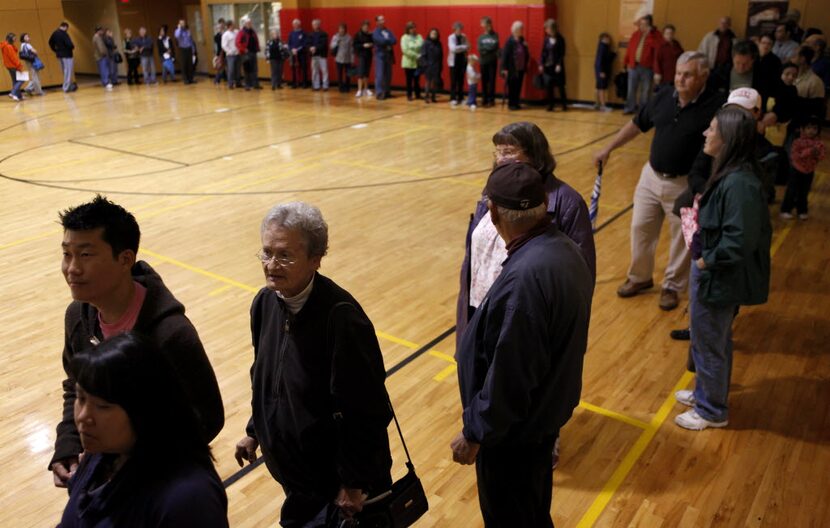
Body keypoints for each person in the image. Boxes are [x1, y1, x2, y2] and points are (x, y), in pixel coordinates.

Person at [452, 161, 593, 527]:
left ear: (495, 212)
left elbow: (511, 377)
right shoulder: (563, 249)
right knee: (531, 512)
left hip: (512, 436)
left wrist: (475, 432)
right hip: (540, 422)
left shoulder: (525, 280)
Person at [50, 196, 225, 488]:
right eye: (67, 254)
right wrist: (68, 443)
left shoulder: (170, 335)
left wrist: (130, 458)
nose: (72, 268)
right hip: (102, 469)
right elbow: (75, 386)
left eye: (86, 255)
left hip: (158, 480)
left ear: (125, 259)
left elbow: (207, 419)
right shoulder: (77, 318)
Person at [236, 202, 393, 527]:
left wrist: (353, 482)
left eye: (285, 255)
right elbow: (267, 376)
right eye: (266, 253)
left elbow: (368, 410)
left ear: (315, 259)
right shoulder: (265, 304)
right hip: (299, 483)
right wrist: (255, 430)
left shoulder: (342, 319)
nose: (271, 265)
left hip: (339, 492)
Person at [593, 52, 724, 311]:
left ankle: (672, 287)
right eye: (678, 73)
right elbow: (637, 124)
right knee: (640, 228)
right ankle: (639, 277)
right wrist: (609, 148)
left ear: (703, 76)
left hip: (686, 184)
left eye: (687, 75)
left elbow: (720, 146)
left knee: (682, 239)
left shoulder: (716, 105)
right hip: (650, 178)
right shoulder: (664, 96)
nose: (680, 79)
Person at [58, 333, 229, 527]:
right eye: (81, 399)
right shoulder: (102, 452)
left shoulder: (188, 500)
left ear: (144, 410)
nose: (82, 418)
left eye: (103, 406)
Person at [458, 121, 596, 353]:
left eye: (509, 152)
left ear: (535, 155)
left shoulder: (567, 202)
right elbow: (473, 259)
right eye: (498, 151)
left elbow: (581, 274)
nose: (501, 158)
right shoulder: (493, 191)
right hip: (481, 309)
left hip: (527, 320)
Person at [674, 106, 771, 431]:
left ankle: (712, 410)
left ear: (726, 138)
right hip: (714, 273)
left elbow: (739, 240)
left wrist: (704, 261)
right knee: (710, 339)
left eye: (711, 128)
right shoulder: (730, 173)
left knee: (709, 341)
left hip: (719, 277)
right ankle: (706, 393)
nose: (705, 133)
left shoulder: (739, 184)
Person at [780, 115, 825, 220]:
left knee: (804, 192)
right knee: (791, 190)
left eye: (814, 128)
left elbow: (822, 156)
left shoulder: (818, 143)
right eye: (808, 128)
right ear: (802, 129)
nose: (811, 131)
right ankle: (786, 209)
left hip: (809, 171)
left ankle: (802, 210)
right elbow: (795, 156)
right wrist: (809, 151)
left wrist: (817, 153)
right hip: (796, 170)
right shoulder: (797, 142)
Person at [623, 14, 663, 114]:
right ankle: (629, 108)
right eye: (641, 24)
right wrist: (626, 62)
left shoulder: (656, 35)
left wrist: (650, 34)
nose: (642, 27)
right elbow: (630, 49)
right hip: (633, 66)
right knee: (631, 89)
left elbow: (658, 48)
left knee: (645, 91)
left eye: (644, 24)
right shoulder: (635, 34)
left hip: (647, 68)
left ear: (650, 25)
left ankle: (643, 111)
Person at [539, 18, 567, 111]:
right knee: (549, 86)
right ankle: (551, 105)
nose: (546, 30)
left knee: (560, 86)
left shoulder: (560, 39)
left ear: (552, 28)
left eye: (547, 28)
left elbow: (562, 53)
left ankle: (564, 105)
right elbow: (543, 53)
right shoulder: (546, 39)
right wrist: (541, 64)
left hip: (557, 67)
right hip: (548, 67)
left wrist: (559, 64)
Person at [501, 21, 528, 111]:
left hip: (520, 68)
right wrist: (504, 68)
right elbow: (505, 55)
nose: (522, 31)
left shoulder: (522, 40)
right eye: (521, 29)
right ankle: (511, 104)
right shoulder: (509, 41)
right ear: (516, 30)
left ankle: (516, 103)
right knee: (512, 87)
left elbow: (525, 52)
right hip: (512, 68)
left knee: (518, 86)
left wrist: (526, 47)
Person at [372, 15, 396, 100]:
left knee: (388, 74)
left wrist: (387, 41)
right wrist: (388, 41)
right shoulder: (375, 32)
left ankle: (387, 91)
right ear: (377, 22)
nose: (383, 21)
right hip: (380, 55)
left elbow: (394, 40)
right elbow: (380, 41)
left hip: (388, 55)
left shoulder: (388, 31)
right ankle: (379, 93)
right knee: (380, 74)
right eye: (381, 20)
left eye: (383, 20)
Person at [477, 17, 499, 108]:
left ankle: (491, 100)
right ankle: (484, 99)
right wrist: (488, 49)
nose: (483, 26)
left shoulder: (495, 35)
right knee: (484, 81)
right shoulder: (481, 37)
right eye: (482, 24)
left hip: (492, 61)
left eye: (484, 24)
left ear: (489, 24)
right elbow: (480, 49)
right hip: (483, 61)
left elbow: (494, 46)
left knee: (492, 81)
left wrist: (487, 49)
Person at [756, 33, 782, 111]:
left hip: (765, 94)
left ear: (772, 46)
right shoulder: (753, 57)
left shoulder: (776, 61)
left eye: (769, 44)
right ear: (759, 43)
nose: (766, 46)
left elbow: (775, 81)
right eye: (763, 43)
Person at [49, 21, 76, 92]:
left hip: (59, 55)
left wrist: (55, 50)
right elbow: (69, 44)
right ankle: (66, 87)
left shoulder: (54, 33)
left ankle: (68, 85)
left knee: (64, 71)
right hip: (67, 54)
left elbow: (50, 42)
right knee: (68, 71)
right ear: (65, 27)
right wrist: (72, 47)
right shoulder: (64, 34)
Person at [654, 25, 684, 90]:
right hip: (665, 75)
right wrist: (657, 73)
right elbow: (656, 60)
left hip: (676, 73)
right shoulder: (660, 45)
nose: (669, 35)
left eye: (671, 33)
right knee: (665, 93)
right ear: (663, 34)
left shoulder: (676, 43)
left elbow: (682, 55)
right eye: (667, 33)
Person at [236, 18, 262, 90]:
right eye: (248, 23)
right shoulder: (241, 32)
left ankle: (255, 84)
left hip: (253, 52)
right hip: (246, 53)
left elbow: (256, 40)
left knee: (255, 69)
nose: (250, 24)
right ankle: (247, 85)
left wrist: (257, 48)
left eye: (250, 23)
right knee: (247, 69)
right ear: (245, 24)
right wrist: (243, 49)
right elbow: (237, 43)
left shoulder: (253, 32)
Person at [448, 22, 469, 106]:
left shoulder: (464, 36)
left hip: (462, 60)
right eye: (457, 29)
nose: (459, 30)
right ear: (454, 29)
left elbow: (468, 46)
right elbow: (453, 49)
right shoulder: (451, 37)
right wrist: (463, 47)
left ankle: (461, 97)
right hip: (454, 61)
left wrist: (463, 47)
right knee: (454, 80)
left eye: (460, 29)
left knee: (461, 80)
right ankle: (453, 98)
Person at [400, 21, 423, 101]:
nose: (413, 29)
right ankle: (409, 95)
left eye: (414, 27)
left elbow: (422, 46)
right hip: (408, 62)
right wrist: (416, 55)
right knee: (409, 80)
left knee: (417, 79)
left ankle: (418, 94)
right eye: (411, 28)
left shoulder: (419, 36)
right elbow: (405, 50)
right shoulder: (404, 37)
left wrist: (419, 54)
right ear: (408, 29)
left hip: (418, 62)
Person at [594, 32, 616, 111]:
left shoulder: (603, 47)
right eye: (607, 38)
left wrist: (613, 55)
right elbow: (600, 60)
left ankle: (597, 104)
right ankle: (603, 105)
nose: (609, 40)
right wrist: (601, 71)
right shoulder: (602, 47)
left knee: (598, 87)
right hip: (601, 71)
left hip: (599, 70)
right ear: (603, 39)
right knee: (601, 88)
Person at [421, 28, 442, 104]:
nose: (434, 35)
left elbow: (440, 55)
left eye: (435, 34)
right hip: (428, 65)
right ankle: (426, 96)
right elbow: (423, 55)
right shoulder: (426, 43)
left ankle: (433, 97)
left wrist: (440, 66)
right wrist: (425, 64)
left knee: (435, 82)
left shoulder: (439, 43)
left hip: (436, 65)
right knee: (428, 82)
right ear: (429, 34)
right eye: (432, 33)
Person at [1, 33, 24, 102]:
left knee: (15, 81)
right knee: (22, 79)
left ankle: (18, 96)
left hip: (9, 66)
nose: (15, 39)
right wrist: (19, 66)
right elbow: (13, 58)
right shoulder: (9, 47)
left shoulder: (5, 46)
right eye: (14, 38)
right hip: (13, 66)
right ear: (10, 38)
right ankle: (13, 93)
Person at [353, 20, 373, 97]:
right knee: (360, 73)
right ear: (362, 27)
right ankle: (359, 90)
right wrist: (363, 45)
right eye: (365, 26)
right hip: (361, 55)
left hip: (368, 55)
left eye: (367, 27)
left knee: (366, 73)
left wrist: (371, 44)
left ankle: (366, 89)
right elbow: (355, 45)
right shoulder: (358, 35)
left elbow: (373, 43)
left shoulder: (370, 35)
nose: (366, 28)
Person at [307, 19, 329, 91]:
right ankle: (316, 86)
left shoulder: (324, 34)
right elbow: (308, 43)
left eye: (316, 24)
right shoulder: (310, 34)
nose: (315, 26)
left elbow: (323, 44)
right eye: (313, 24)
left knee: (324, 70)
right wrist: (310, 48)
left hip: (322, 55)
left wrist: (315, 48)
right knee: (315, 71)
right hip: (313, 55)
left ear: (319, 25)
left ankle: (325, 86)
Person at [331, 24, 353, 93]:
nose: (342, 30)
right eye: (340, 29)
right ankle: (340, 87)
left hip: (347, 58)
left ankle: (347, 87)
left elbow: (351, 49)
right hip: (339, 58)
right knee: (339, 74)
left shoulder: (349, 37)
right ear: (338, 29)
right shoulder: (335, 37)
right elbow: (331, 46)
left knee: (348, 74)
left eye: (343, 29)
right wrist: (337, 42)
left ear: (345, 29)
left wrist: (352, 58)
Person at [288, 19, 308, 88]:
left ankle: (304, 83)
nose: (295, 25)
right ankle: (294, 83)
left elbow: (304, 43)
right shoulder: (291, 33)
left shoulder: (303, 33)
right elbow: (289, 43)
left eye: (296, 23)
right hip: (293, 53)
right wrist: (292, 49)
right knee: (293, 68)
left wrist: (298, 49)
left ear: (299, 24)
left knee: (303, 68)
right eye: (294, 24)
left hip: (301, 53)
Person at [175, 19, 196, 84]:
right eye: (181, 23)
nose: (182, 24)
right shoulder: (177, 31)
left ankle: (191, 79)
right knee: (184, 65)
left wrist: (193, 49)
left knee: (190, 65)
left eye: (183, 23)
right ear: (179, 24)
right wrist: (179, 28)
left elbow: (191, 40)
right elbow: (177, 36)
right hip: (182, 49)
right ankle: (185, 80)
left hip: (189, 49)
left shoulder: (187, 31)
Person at [222, 20, 239, 89]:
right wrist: (230, 51)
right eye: (232, 25)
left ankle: (238, 83)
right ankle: (230, 84)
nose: (234, 26)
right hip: (230, 55)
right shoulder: (226, 34)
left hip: (237, 53)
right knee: (231, 70)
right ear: (229, 26)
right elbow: (224, 45)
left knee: (237, 69)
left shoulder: (236, 32)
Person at [213, 19, 226, 85]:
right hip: (220, 52)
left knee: (225, 66)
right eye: (220, 25)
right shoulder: (217, 36)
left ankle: (225, 77)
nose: (222, 26)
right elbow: (217, 43)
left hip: (226, 52)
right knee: (219, 66)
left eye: (223, 24)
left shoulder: (226, 33)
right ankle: (217, 79)